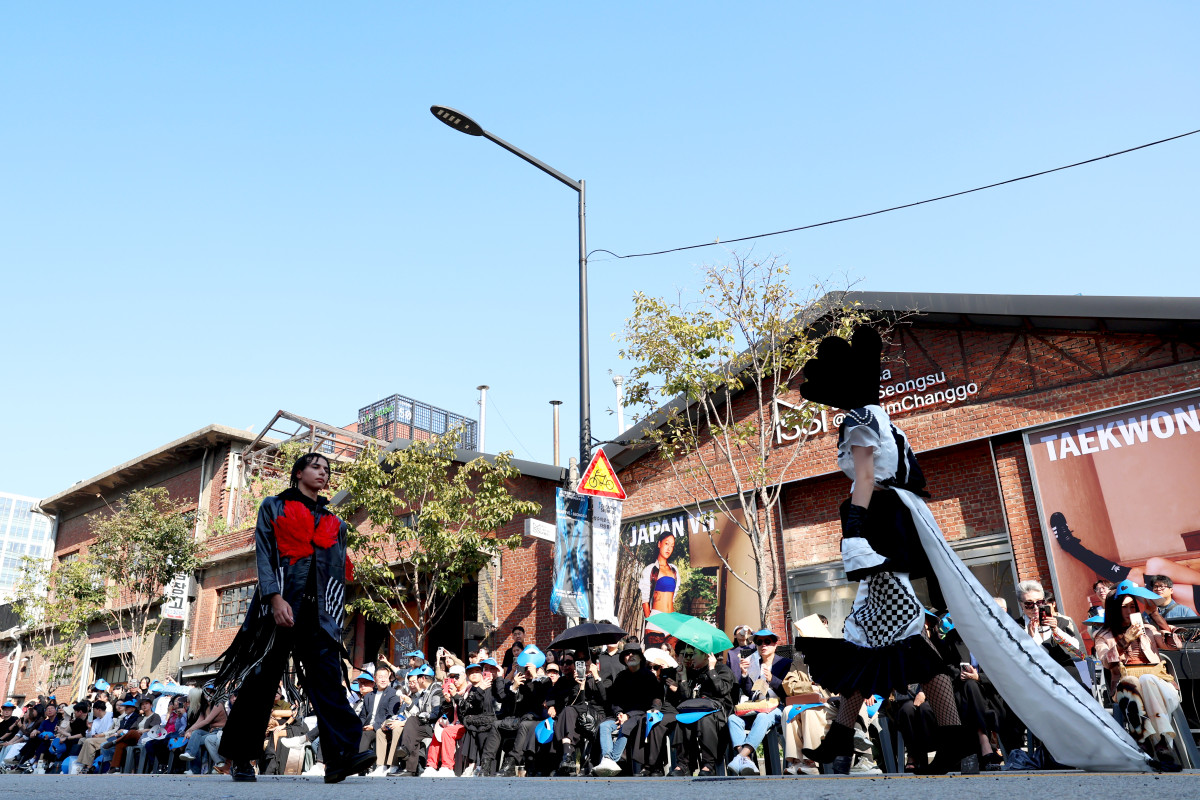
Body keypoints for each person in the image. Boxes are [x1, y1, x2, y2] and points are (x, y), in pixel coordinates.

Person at [791, 327, 970, 775]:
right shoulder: (881, 417)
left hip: (879, 533)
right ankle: (839, 741)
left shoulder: (860, 419)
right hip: (890, 528)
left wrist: (853, 531)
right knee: (865, 647)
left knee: (903, 648)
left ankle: (949, 741)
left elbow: (865, 478)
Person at [212, 452, 374, 784]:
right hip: (280, 606)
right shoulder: (273, 506)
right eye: (316, 467)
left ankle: (339, 759)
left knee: (328, 681)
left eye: (327, 469)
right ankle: (241, 757)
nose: (323, 473)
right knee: (262, 681)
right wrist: (274, 598)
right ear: (298, 472)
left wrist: (334, 616)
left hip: (319, 614)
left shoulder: (335, 523)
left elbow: (337, 576)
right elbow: (265, 554)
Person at [1092, 579, 1184, 767]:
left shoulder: (1149, 629)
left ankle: (1148, 739)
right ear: (1114, 610)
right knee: (1131, 680)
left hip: (1159, 683)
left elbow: (1175, 645)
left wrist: (1155, 616)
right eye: (1124, 607)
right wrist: (1125, 640)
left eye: (1133, 606)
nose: (1129, 611)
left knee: (1148, 679)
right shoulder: (1104, 635)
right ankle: (1161, 743)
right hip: (1127, 685)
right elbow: (1106, 662)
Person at [728, 628, 789, 775]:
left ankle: (740, 757)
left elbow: (789, 691)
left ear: (775, 645)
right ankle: (747, 759)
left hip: (778, 706)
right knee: (733, 719)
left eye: (767, 642)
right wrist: (743, 675)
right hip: (758, 706)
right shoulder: (754, 663)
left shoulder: (785, 663)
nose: (763, 645)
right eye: (759, 642)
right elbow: (750, 692)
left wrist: (772, 680)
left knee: (763, 717)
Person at [672, 645, 734, 777]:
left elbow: (722, 690)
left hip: (717, 713)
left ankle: (709, 764)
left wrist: (712, 670)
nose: (691, 658)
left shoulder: (723, 670)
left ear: (707, 656)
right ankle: (684, 765)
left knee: (705, 720)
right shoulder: (695, 673)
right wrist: (683, 677)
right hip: (697, 711)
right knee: (683, 718)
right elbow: (686, 699)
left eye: (694, 654)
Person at [1017, 580, 1088, 687]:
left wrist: (1056, 631)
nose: (1036, 608)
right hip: (1038, 683)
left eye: (1039, 602)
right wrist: (1029, 640)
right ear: (1021, 605)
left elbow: (1078, 651)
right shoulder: (1016, 627)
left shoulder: (1062, 622)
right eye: (1029, 604)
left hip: (1070, 680)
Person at [639, 532, 679, 647]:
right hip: (656, 620)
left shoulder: (674, 570)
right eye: (666, 544)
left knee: (671, 660)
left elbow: (673, 598)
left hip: (671, 620)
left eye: (672, 546)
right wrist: (652, 620)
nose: (669, 548)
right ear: (659, 544)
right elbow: (645, 600)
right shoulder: (651, 569)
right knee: (654, 660)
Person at [110, 697, 161, 773]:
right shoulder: (140, 718)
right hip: (136, 736)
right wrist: (137, 731)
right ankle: (115, 768)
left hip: (146, 737)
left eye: (146, 704)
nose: (144, 706)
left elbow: (155, 728)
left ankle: (114, 742)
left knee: (132, 733)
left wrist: (144, 730)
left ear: (151, 705)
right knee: (121, 743)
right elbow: (132, 728)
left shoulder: (155, 716)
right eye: (142, 704)